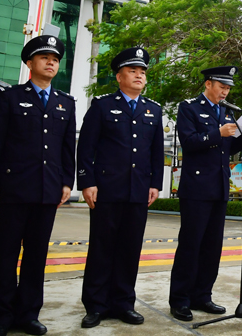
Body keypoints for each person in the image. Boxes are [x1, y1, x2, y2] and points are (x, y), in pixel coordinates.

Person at [0, 35, 75, 336]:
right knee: (6, 256)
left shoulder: (65, 102)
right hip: (13, 190)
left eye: (55, 59)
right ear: (29, 63)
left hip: (48, 191)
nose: (51, 62)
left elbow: (65, 148)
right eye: (45, 57)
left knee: (36, 256)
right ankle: (2, 318)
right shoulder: (8, 98)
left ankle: (28, 314)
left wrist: (66, 182)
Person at [77, 47, 164, 328]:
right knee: (102, 249)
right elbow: (85, 148)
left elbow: (156, 152)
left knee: (130, 249)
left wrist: (155, 184)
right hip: (106, 190)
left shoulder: (153, 109)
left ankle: (124, 302)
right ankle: (96, 305)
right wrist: (87, 182)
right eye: (133, 70)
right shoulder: (101, 106)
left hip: (138, 191)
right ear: (119, 76)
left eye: (143, 72)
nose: (139, 75)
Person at [169, 66, 242, 322]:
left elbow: (226, 150)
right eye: (221, 87)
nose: (225, 92)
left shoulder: (226, 111)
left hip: (219, 187)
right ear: (208, 84)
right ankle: (180, 299)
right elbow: (190, 143)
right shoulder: (189, 108)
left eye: (228, 88)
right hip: (196, 188)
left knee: (212, 247)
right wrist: (218, 132)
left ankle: (203, 295)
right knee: (191, 245)